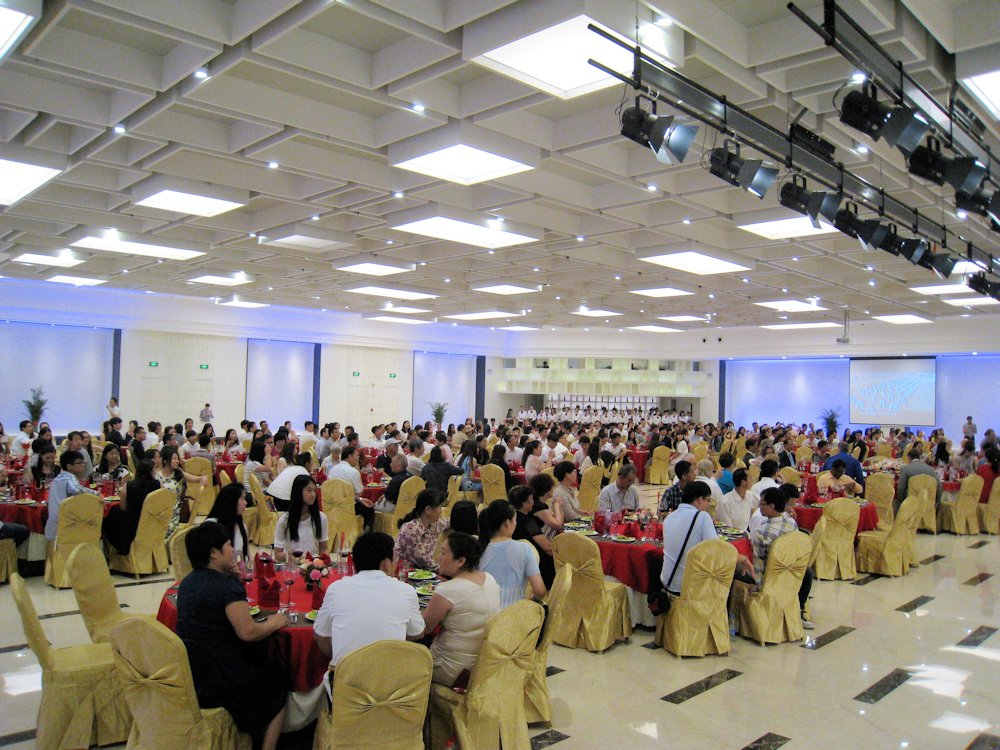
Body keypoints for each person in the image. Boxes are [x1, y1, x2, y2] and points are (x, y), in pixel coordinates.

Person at [176, 522, 288, 750]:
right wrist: (276, 620)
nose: (233, 550)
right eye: (228, 545)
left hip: (191, 672)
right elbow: (248, 632)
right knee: (278, 689)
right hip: (220, 677)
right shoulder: (225, 586)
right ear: (213, 553)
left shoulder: (187, 583)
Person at [313, 532, 424, 685]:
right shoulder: (405, 591)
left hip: (345, 689)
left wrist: (347, 658)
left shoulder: (336, 588)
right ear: (386, 563)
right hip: (391, 690)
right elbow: (417, 633)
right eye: (394, 558)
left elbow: (321, 636)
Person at [420, 531, 501, 686]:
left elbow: (424, 628)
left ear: (461, 561)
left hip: (452, 669)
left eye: (443, 553)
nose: (438, 558)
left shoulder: (448, 590)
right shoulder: (489, 579)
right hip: (483, 665)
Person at [660, 481, 753, 595]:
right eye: (708, 500)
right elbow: (717, 552)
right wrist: (743, 558)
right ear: (700, 499)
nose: (709, 505)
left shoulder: (669, 517)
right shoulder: (702, 516)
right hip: (689, 587)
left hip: (668, 582)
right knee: (734, 577)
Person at [751, 487, 814, 629]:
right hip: (792, 572)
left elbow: (759, 562)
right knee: (808, 572)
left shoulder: (761, 531)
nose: (759, 506)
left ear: (771, 506)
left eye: (761, 504)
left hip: (771, 575)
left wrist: (759, 586)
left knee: (737, 572)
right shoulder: (791, 523)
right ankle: (798, 611)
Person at [478, 499, 545, 609]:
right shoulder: (524, 549)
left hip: (484, 615)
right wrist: (533, 599)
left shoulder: (478, 548)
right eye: (515, 520)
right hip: (514, 617)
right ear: (507, 523)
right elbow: (540, 590)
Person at [103, 459, 159, 554]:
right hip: (153, 523)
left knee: (111, 516)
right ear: (150, 472)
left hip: (133, 525)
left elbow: (123, 508)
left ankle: (111, 552)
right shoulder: (158, 485)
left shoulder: (129, 486)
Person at [44, 450, 99, 541]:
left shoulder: (58, 478)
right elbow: (77, 490)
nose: (83, 465)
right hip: (65, 526)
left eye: (83, 462)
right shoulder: (69, 477)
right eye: (79, 463)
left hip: (53, 527)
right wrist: (96, 494)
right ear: (69, 466)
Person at [509, 485, 555, 588]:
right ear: (525, 503)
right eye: (531, 499)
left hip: (515, 562)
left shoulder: (509, 519)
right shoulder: (527, 521)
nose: (533, 502)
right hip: (535, 564)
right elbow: (547, 548)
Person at [273, 475, 328, 561]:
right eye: (309, 490)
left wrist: (324, 562)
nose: (313, 494)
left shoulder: (321, 518)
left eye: (314, 491)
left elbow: (324, 549)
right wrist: (289, 556)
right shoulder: (284, 520)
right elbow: (277, 555)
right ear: (298, 491)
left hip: (313, 566)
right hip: (292, 566)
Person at [159, 446, 207, 540]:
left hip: (173, 513)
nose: (177, 461)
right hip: (160, 511)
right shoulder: (157, 475)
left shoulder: (178, 473)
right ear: (165, 461)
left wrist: (202, 478)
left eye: (177, 459)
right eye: (174, 459)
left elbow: (196, 478)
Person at [394, 489, 450, 571]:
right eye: (439, 507)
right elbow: (423, 560)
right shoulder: (411, 528)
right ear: (428, 509)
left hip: (423, 571)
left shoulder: (434, 524)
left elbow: (449, 522)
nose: (441, 511)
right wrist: (445, 570)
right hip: (404, 572)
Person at [329, 446, 374, 530]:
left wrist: (360, 499)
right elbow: (359, 493)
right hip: (348, 507)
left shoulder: (332, 470)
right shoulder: (353, 471)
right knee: (369, 509)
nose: (358, 458)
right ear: (350, 457)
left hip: (332, 506)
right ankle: (365, 534)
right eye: (356, 456)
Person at [206, 484, 250, 561]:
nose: (246, 503)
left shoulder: (241, 526)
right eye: (242, 499)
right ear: (231, 500)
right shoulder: (211, 526)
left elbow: (247, 558)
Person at [895, 446, 942, 514]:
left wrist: (902, 502)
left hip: (911, 502)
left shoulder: (905, 469)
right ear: (919, 457)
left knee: (895, 503)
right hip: (927, 501)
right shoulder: (930, 469)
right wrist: (936, 501)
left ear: (909, 458)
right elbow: (939, 485)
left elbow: (900, 489)